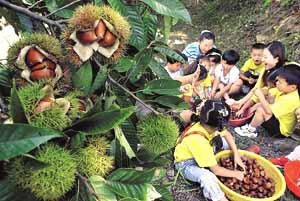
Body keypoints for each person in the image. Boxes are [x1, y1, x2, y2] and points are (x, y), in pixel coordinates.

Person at [174, 99, 245, 201]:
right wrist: (236, 174)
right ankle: (219, 197)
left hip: (199, 149)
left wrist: (236, 155)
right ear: (217, 126)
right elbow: (216, 170)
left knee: (226, 142)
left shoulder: (206, 122)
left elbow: (227, 135)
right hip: (186, 163)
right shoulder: (199, 141)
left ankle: (217, 160)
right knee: (207, 176)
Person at [234, 63, 300, 138]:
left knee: (261, 109)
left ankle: (250, 130)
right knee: (259, 104)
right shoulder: (284, 90)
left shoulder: (292, 99)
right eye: (277, 80)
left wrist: (260, 96)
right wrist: (264, 93)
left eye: (280, 82)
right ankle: (246, 119)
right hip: (277, 119)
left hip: (281, 131)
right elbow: (267, 92)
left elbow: (268, 111)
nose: (277, 83)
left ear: (293, 87)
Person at [233, 41, 286, 115]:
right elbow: (256, 88)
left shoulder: (286, 73)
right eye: (263, 56)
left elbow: (261, 93)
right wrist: (241, 102)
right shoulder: (266, 69)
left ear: (276, 59)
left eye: (265, 57)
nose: (262, 59)